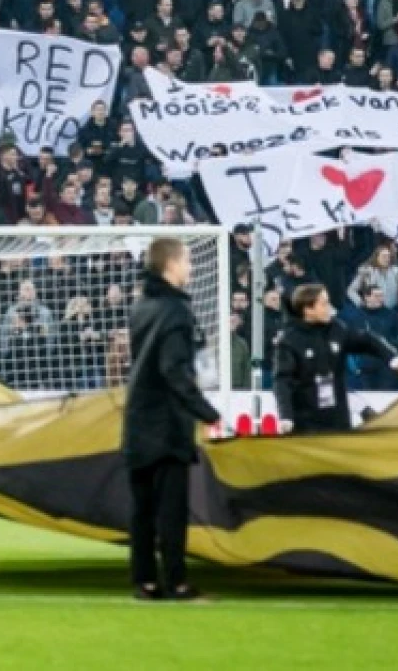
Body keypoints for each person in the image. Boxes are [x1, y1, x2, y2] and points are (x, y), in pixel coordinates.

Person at [123, 238, 220, 601]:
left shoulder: (141, 307)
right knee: (171, 510)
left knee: (142, 510)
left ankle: (144, 581)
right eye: (187, 261)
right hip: (166, 424)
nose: (191, 268)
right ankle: (177, 582)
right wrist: (207, 413)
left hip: (137, 419)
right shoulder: (177, 312)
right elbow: (174, 371)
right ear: (171, 265)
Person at [273, 284, 398, 434]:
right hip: (306, 422)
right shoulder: (289, 340)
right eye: (323, 304)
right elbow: (282, 381)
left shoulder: (336, 329)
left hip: (338, 420)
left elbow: (366, 340)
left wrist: (392, 357)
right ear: (308, 310)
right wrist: (286, 416)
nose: (329, 307)